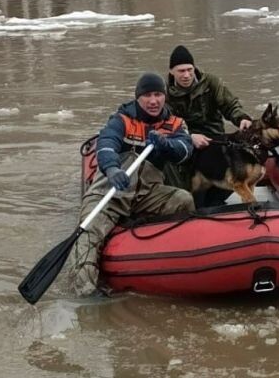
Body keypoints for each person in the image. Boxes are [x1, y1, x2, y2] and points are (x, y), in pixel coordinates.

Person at [70, 72, 196, 296]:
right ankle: (86, 291)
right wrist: (111, 168)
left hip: (148, 193)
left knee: (183, 200)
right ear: (138, 98)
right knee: (88, 232)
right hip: (111, 192)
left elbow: (185, 151)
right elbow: (107, 142)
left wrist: (166, 145)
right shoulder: (121, 120)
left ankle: (177, 263)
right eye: (147, 95)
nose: (153, 100)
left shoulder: (176, 124)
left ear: (165, 96)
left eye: (158, 94)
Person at [164, 45, 252, 202]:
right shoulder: (165, 94)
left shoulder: (211, 82)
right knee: (172, 162)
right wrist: (189, 137)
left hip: (215, 137)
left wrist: (241, 118)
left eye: (189, 69)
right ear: (171, 72)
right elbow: (166, 124)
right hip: (185, 139)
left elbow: (230, 105)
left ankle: (216, 198)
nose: (186, 75)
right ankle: (191, 199)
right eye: (181, 71)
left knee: (239, 158)